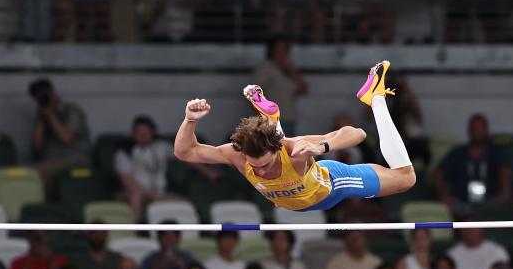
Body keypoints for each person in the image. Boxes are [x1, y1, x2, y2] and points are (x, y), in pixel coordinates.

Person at [174, 60, 416, 213]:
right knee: (278, 150)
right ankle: (272, 119)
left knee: (406, 179)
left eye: (266, 164)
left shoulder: (294, 149)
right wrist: (190, 120)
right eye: (255, 166)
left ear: (277, 148)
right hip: (298, 195)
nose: (261, 172)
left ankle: (375, 98)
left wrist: (321, 148)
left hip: (332, 186)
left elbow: (357, 133)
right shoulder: (236, 154)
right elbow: (185, 152)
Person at [434, 114, 512, 215]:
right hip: (460, 204)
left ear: (486, 130)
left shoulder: (495, 153)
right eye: (474, 129)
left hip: (489, 204)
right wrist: (445, 194)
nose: (477, 132)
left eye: (480, 129)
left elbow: (505, 173)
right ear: (469, 130)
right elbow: (437, 174)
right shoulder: (458, 153)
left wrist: (503, 194)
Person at [29, 78, 91, 191]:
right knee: (18, 176)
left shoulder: (71, 110)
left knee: (31, 174)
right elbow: (37, 146)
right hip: (48, 163)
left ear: (52, 91)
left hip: (73, 160)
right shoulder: (41, 115)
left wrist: (51, 115)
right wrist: (41, 120)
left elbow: (66, 138)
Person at [115, 116, 173, 220]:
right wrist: (151, 195)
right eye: (139, 132)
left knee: (184, 203)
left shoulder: (162, 146)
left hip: (161, 192)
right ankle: (137, 227)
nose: (143, 135)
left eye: (146, 132)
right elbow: (127, 180)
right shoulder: (124, 152)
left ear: (152, 132)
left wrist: (205, 171)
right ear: (133, 133)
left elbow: (185, 156)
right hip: (134, 193)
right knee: (136, 196)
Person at [251, 37, 309, 135]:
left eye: (284, 49)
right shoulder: (266, 68)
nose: (281, 53)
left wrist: (292, 70)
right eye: (278, 50)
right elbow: (253, 93)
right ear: (272, 50)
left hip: (289, 119)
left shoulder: (290, 69)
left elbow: (304, 89)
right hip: (271, 121)